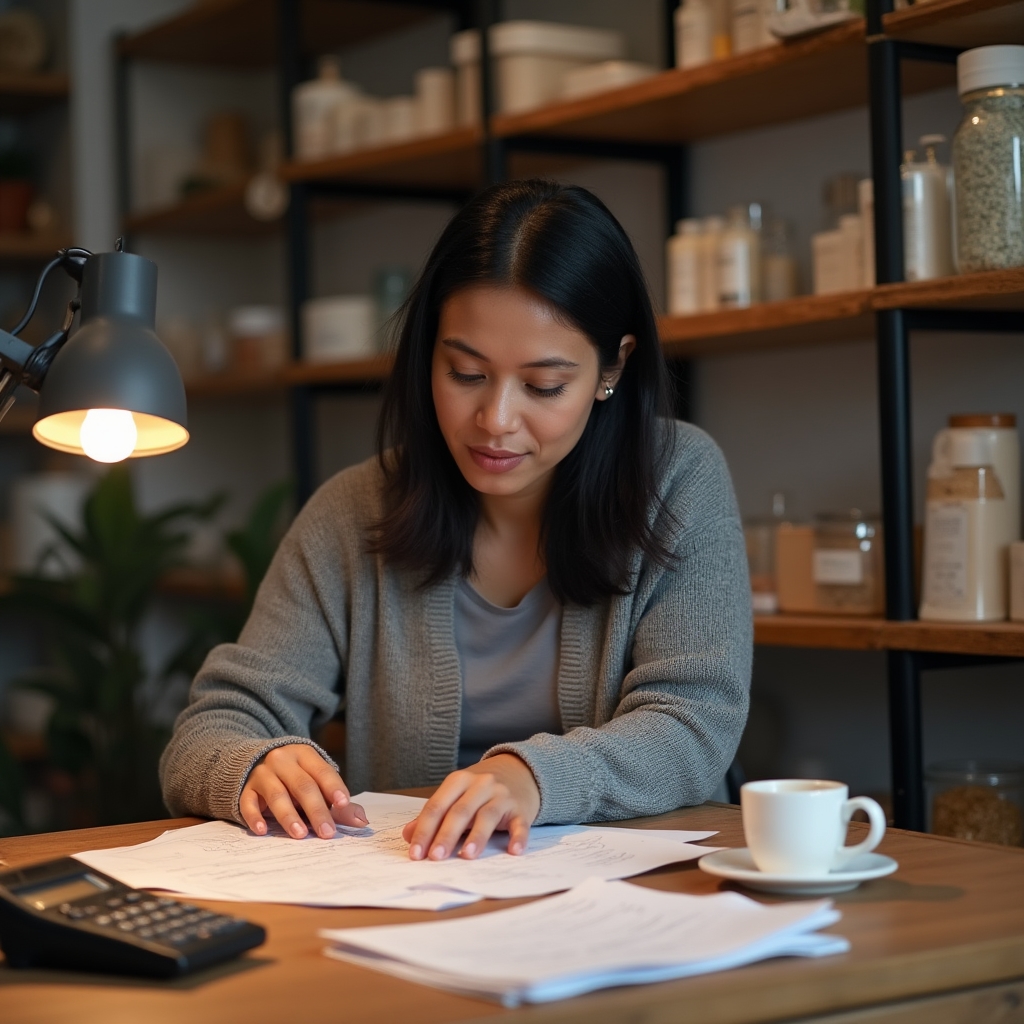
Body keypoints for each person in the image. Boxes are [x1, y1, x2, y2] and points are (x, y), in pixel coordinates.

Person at [160, 179, 752, 861]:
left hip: (637, 898)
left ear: (611, 367)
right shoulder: (354, 513)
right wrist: (253, 766)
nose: (495, 420)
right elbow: (210, 730)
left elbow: (694, 727)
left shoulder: (677, 479)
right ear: (428, 356)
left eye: (544, 386)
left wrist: (530, 778)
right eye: (466, 372)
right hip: (418, 891)